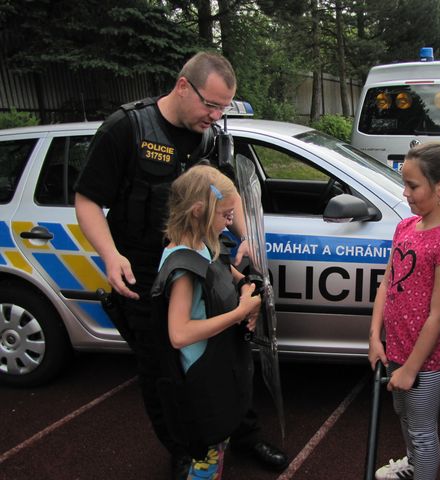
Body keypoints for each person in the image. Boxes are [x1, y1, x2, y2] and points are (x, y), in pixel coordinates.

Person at [74, 51, 288, 479]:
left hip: (204, 267)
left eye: (223, 107)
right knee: (165, 375)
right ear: (183, 86)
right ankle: (184, 450)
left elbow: (228, 194)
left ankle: (241, 435)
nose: (215, 115)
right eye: (210, 105)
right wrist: (110, 255)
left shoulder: (207, 136)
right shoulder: (126, 129)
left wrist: (244, 235)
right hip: (146, 278)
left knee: (228, 357)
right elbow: (87, 199)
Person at [368, 143, 440, 480]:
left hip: (427, 359)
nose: (405, 193)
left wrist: (411, 369)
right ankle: (413, 464)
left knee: (422, 430)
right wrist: (376, 338)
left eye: (413, 186)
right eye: (404, 184)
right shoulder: (405, 227)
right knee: (404, 416)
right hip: (398, 349)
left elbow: (438, 314)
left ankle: (421, 465)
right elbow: (387, 284)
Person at [158, 165, 262, 479]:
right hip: (200, 382)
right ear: (199, 211)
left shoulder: (203, 245)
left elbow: (224, 272)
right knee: (206, 461)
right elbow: (179, 333)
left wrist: (247, 286)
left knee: (217, 450)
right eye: (226, 215)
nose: (231, 222)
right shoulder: (183, 267)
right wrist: (240, 312)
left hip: (217, 368)